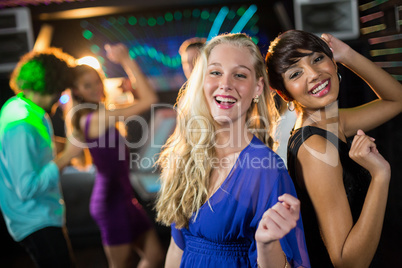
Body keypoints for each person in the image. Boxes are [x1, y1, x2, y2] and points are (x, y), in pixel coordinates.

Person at [155, 33, 310, 268]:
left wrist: (267, 244)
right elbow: (177, 248)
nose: (225, 84)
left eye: (239, 75)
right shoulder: (186, 154)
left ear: (258, 87)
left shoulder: (265, 170)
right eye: (215, 72)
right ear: (202, 81)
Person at [266, 30, 402, 267]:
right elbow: (346, 262)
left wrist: (347, 54)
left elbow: (397, 99)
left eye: (318, 59)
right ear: (284, 93)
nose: (315, 74)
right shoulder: (315, 148)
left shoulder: (331, 122)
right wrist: (380, 176)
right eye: (296, 73)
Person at [68, 43, 165, 268]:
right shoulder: (94, 119)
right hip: (110, 202)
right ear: (76, 91)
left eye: (97, 82)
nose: (96, 89)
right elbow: (150, 99)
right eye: (87, 85)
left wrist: (129, 90)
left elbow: (140, 98)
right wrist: (125, 60)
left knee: (155, 256)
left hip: (125, 198)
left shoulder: (99, 114)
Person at [0, 48, 82, 267]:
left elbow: (33, 149)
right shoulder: (22, 124)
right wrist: (67, 156)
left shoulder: (22, 107)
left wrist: (64, 147)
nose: (61, 96)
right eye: (61, 91)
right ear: (52, 87)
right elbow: (26, 187)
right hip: (36, 222)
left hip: (40, 219)